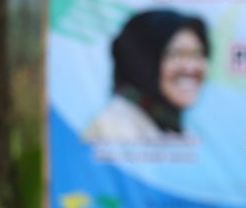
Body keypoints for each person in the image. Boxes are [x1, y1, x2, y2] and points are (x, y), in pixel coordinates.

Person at [82, 8, 209, 142]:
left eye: (198, 55)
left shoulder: (173, 131)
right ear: (143, 62)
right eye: (175, 55)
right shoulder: (113, 129)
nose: (191, 67)